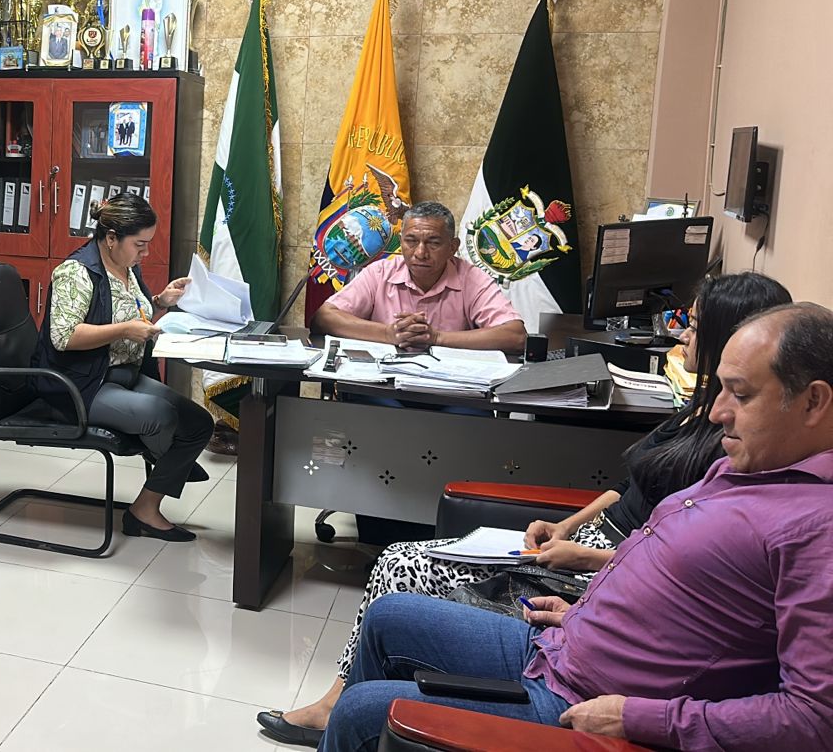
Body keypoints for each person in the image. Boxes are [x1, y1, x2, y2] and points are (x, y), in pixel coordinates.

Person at [255, 271, 792, 746]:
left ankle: (347, 707)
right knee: (395, 577)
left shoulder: (741, 456)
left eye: (693, 326)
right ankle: (348, 703)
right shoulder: (703, 410)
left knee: (399, 563)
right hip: (588, 563)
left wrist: (581, 556)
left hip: (597, 574)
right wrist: (567, 525)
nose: (682, 335)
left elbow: (669, 566)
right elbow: (627, 489)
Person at [31, 193, 211, 541]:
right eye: (139, 245)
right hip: (80, 385)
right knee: (162, 416)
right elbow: (64, 337)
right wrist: (125, 330)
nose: (146, 253)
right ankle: (169, 461)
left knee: (199, 423)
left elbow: (130, 312)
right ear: (111, 238)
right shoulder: (76, 272)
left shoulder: (126, 267)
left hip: (121, 374)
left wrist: (160, 301)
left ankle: (146, 504)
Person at [312, 201, 526, 354]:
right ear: (401, 242)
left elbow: (516, 336)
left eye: (433, 243)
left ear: (453, 247)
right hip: (384, 386)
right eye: (411, 241)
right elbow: (324, 318)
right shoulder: (380, 273)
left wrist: (437, 338)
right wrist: (388, 334)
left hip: (447, 390)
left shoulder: (471, 278)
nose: (420, 253)